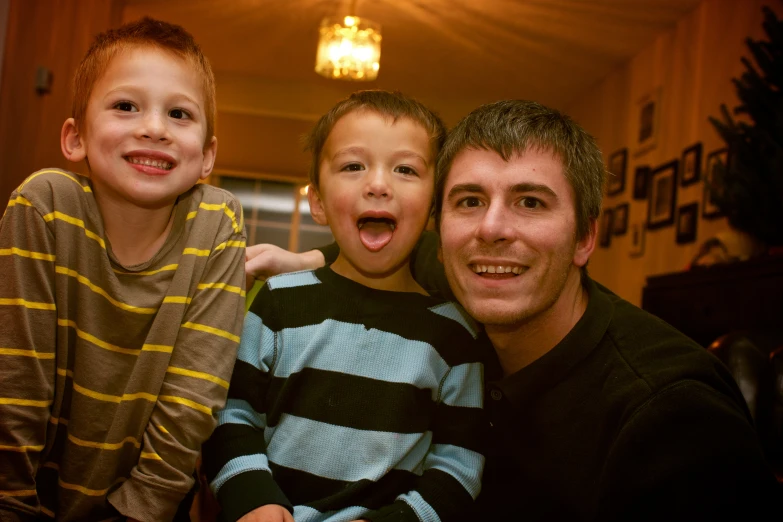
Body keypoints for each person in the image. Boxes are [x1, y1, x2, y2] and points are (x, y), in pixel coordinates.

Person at [247, 100, 782, 520]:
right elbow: (383, 242)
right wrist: (311, 258)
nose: (492, 229)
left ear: (585, 237)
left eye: (531, 202)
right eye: (469, 201)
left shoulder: (668, 416)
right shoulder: (458, 279)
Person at [0, 18, 246, 522]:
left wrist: (137, 512)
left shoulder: (216, 223)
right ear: (76, 137)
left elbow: (193, 400)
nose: (154, 127)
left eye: (179, 113)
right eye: (125, 106)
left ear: (207, 156)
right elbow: (15, 382)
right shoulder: (45, 205)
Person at [203, 91, 488, 522]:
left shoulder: (453, 335)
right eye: (354, 166)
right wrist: (254, 498)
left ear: (433, 208)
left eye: (406, 169)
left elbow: (458, 466)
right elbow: (233, 415)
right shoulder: (279, 302)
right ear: (317, 201)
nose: (377, 184)